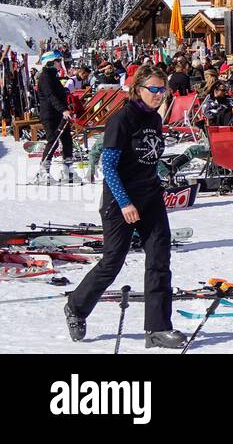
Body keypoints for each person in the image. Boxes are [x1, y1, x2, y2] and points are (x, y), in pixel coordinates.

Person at [66, 66, 183, 348]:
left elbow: (148, 158)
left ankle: (157, 328)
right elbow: (109, 166)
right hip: (121, 200)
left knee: (159, 257)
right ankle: (76, 307)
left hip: (150, 196)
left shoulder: (154, 119)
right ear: (138, 89)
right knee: (112, 262)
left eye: (162, 90)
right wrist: (125, 202)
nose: (158, 95)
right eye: (153, 89)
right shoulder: (122, 119)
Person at [35, 51, 74, 184]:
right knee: (53, 141)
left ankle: (67, 170)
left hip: (60, 114)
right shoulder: (44, 77)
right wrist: (63, 109)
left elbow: (59, 94)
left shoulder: (53, 76)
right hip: (50, 115)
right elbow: (50, 96)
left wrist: (67, 104)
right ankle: (43, 171)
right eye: (58, 61)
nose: (60, 64)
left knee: (67, 140)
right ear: (50, 62)